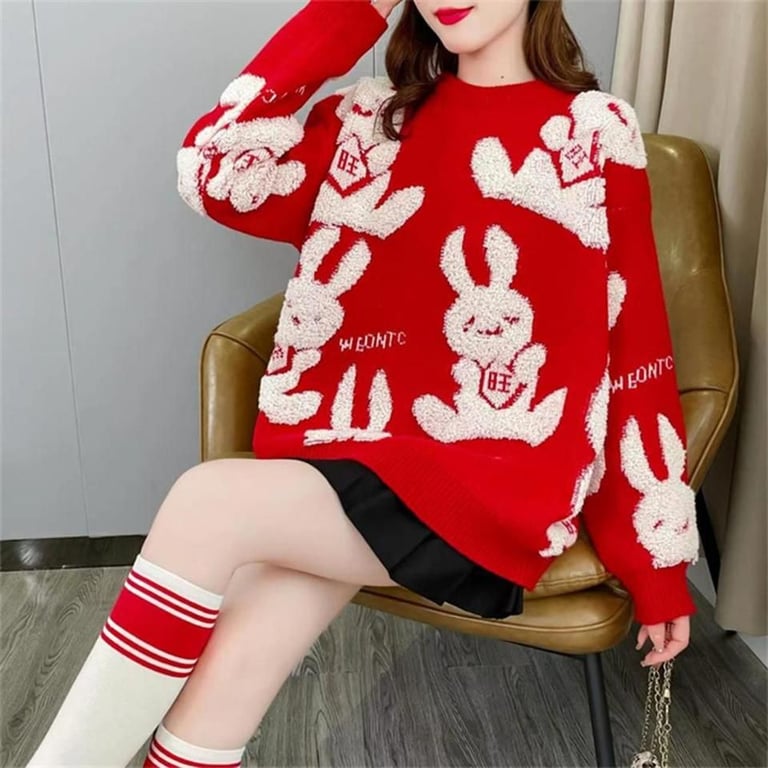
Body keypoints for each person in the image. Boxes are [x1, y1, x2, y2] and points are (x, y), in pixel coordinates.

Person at [26, 0, 701, 765]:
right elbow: (215, 172)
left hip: (492, 486)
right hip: (351, 457)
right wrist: (351, 12)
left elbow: (635, 353)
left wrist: (657, 565)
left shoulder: (594, 133)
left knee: (206, 504)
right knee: (232, 677)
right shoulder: (368, 122)